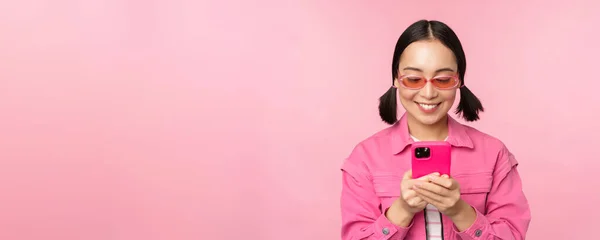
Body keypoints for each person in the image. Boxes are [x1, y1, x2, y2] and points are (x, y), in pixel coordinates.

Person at [339, 19, 531, 240]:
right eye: (413, 79)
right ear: (396, 79)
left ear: (459, 81)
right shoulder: (364, 158)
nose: (428, 93)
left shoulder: (494, 154)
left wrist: (459, 211)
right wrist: (402, 210)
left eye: (442, 79)